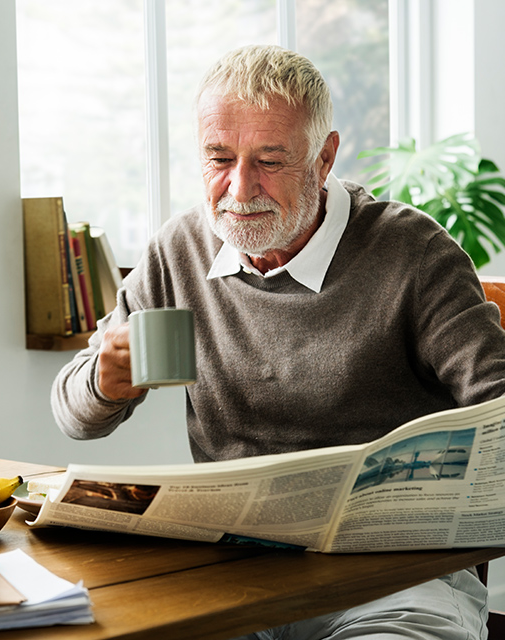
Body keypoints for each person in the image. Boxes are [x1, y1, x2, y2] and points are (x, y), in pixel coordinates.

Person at [53, 45, 505, 638]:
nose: (240, 188)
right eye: (219, 158)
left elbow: (497, 412)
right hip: (230, 570)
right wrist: (104, 383)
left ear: (324, 159)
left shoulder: (413, 253)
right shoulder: (180, 250)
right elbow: (74, 416)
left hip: (393, 578)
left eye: (269, 160)